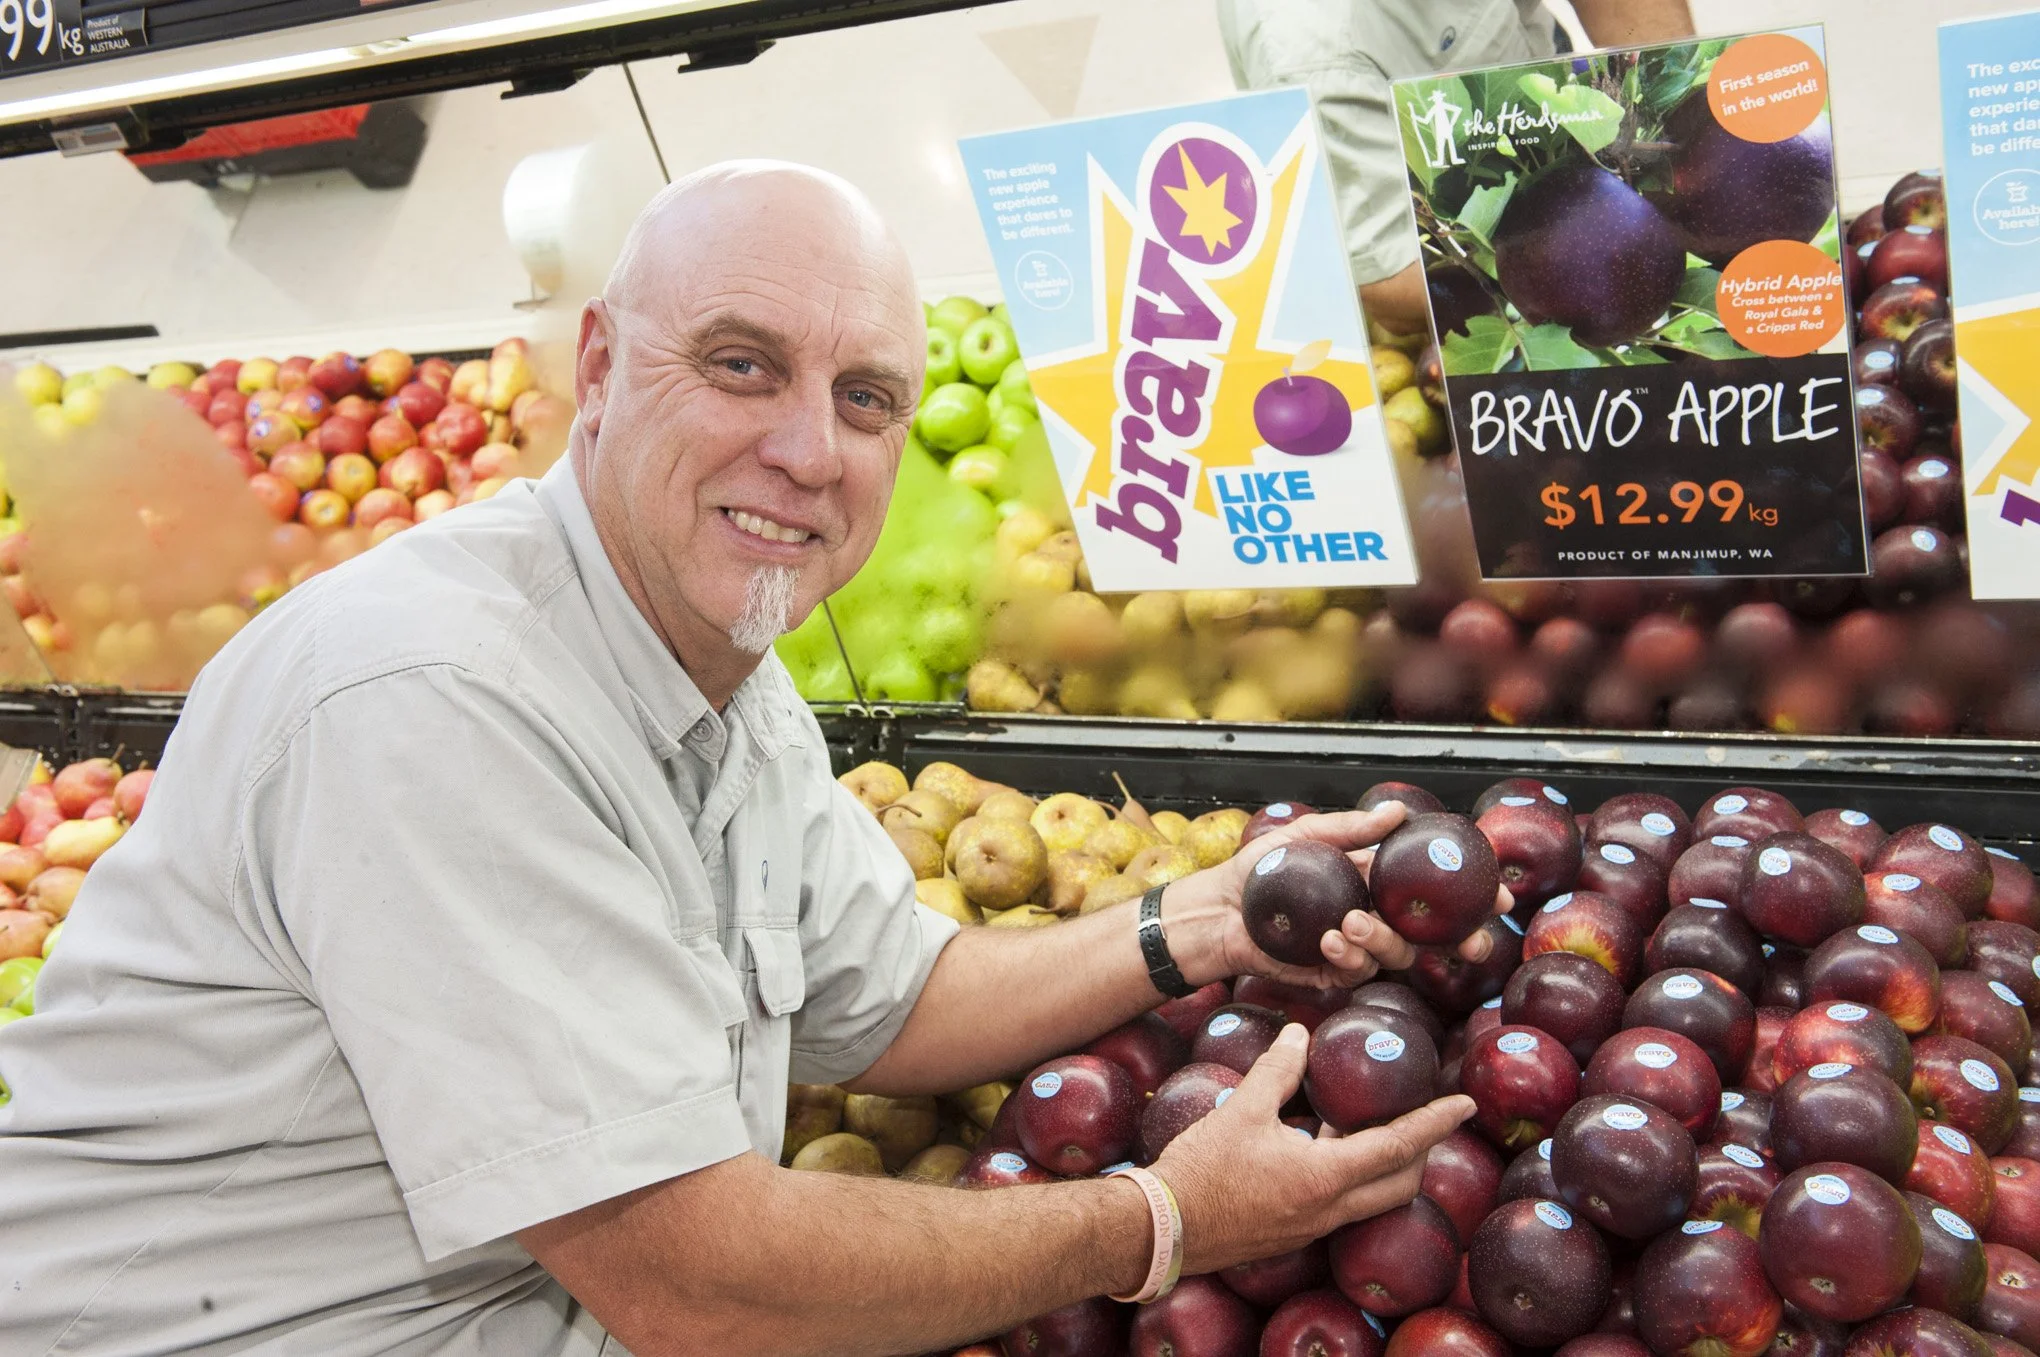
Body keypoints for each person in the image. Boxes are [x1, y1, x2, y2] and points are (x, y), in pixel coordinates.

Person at [0, 162, 1504, 1356]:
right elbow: (699, 1284)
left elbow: (895, 1000)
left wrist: (1197, 923)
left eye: (864, 400)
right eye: (740, 365)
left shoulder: (723, 669)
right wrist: (1157, 1224)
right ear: (596, 368)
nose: (807, 449)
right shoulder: (436, 696)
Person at [1218, 0, 1696, 332]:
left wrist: (1680, 119)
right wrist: (1601, 274)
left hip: (1557, 125)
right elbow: (1391, 279)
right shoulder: (1317, 56)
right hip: (1491, 244)